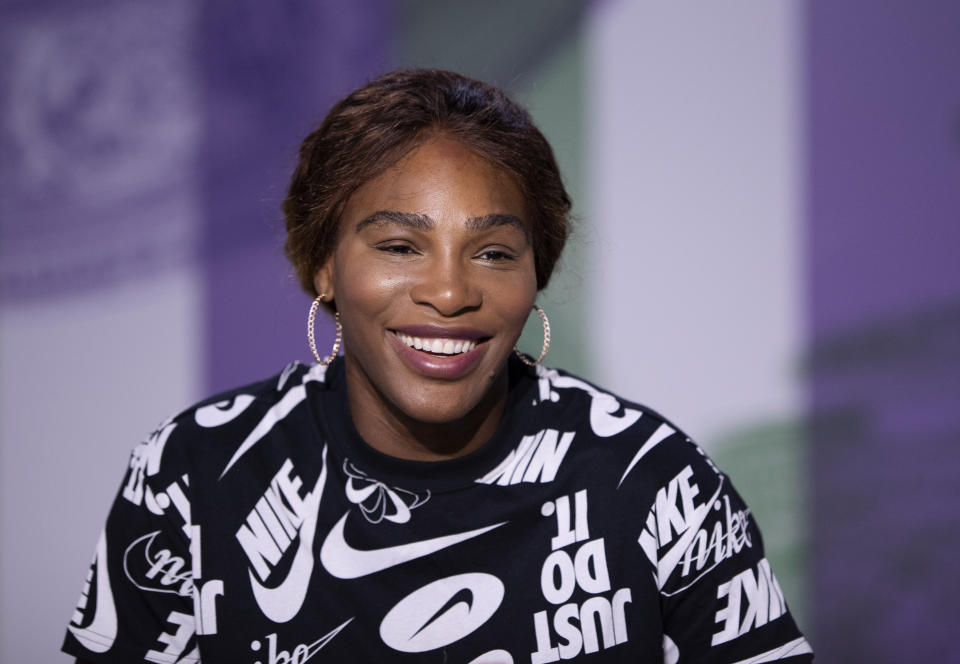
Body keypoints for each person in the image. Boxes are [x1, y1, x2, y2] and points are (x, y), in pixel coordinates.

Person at [64, 69, 813, 663]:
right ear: (323, 264)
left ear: (535, 275)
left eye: (493, 253)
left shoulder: (652, 481)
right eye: (399, 247)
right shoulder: (196, 470)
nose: (451, 293)